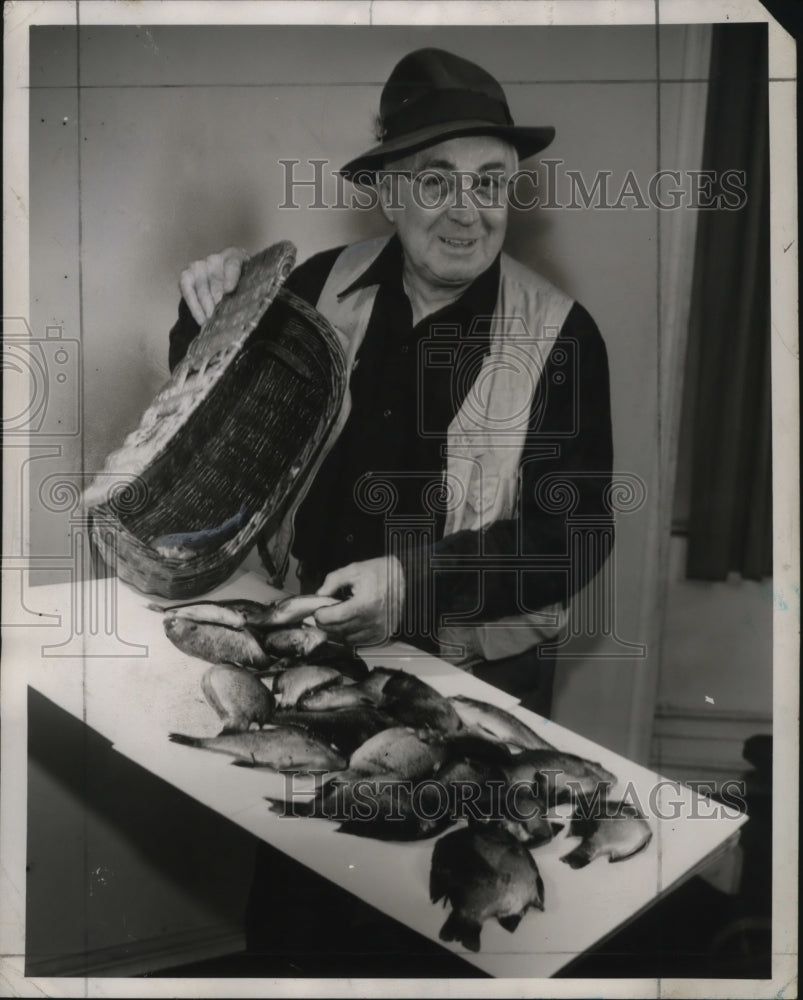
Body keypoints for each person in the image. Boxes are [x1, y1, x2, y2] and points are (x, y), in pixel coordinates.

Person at [169, 47, 614, 718]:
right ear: (386, 193)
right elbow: (217, 430)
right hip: (305, 646)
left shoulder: (563, 337)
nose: (468, 213)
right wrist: (209, 313)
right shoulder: (316, 286)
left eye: (489, 183)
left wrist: (411, 585)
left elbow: (573, 537)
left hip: (474, 684)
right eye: (436, 183)